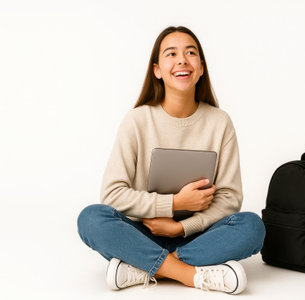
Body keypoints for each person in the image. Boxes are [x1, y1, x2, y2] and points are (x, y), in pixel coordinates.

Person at [77, 25, 265, 295]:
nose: (182, 60)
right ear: (157, 70)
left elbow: (230, 199)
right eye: (171, 54)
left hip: (198, 236)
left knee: (252, 226)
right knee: (91, 218)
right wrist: (174, 203)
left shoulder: (219, 122)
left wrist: (180, 227)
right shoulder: (137, 120)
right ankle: (188, 274)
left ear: (201, 68)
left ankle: (142, 268)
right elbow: (112, 194)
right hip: (141, 232)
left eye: (191, 53)